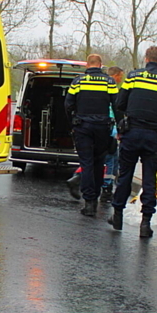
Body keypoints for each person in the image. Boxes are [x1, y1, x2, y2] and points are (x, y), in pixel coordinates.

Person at [109, 46, 157, 237]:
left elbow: (120, 103)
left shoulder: (133, 77)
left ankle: (117, 214)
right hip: (153, 134)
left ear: (146, 59)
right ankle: (145, 222)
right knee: (150, 178)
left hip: (131, 132)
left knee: (125, 175)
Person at [64, 54, 119, 217]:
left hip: (83, 127)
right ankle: (96, 196)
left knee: (86, 163)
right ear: (101, 65)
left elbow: (68, 104)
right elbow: (117, 106)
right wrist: (120, 128)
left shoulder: (78, 81)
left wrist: (72, 122)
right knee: (98, 162)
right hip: (102, 127)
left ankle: (89, 203)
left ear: (87, 65)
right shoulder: (110, 82)